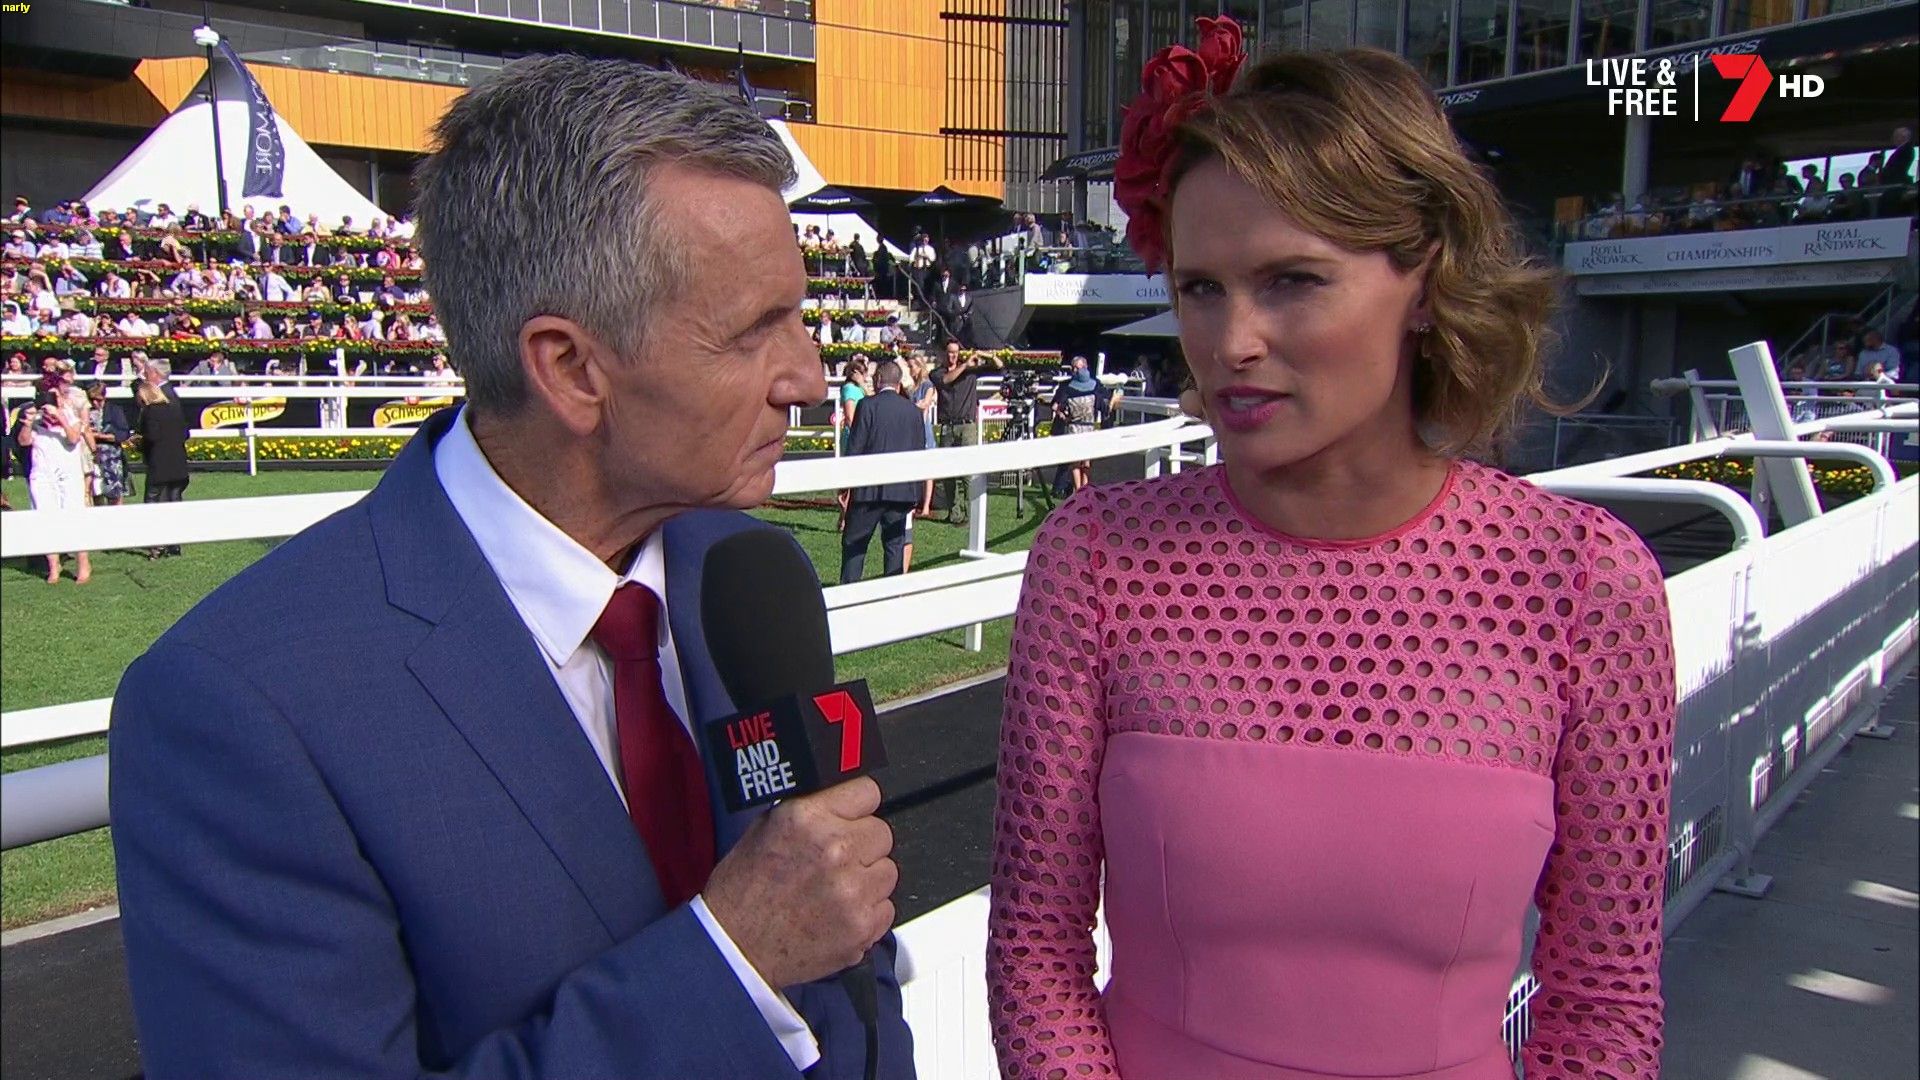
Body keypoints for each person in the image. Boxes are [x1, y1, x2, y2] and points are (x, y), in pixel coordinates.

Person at [109, 56, 909, 1080]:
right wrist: (733, 965)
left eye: (798, 316)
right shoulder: (241, 710)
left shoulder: (747, 571)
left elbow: (845, 928)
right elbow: (781, 926)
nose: (808, 377)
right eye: (755, 330)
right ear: (570, 368)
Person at [988, 32, 1673, 1080]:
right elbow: (1035, 949)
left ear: (1427, 281)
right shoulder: (1097, 558)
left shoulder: (1582, 583)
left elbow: (1606, 1002)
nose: (1231, 343)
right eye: (1201, 288)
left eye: (1292, 281)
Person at [839, 360, 926, 583]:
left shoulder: (867, 406)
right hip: (901, 492)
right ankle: (892, 596)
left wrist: (845, 486)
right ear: (898, 383)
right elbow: (919, 453)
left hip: (868, 493)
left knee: (855, 544)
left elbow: (855, 449)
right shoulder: (914, 412)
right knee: (895, 546)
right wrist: (916, 494)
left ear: (878, 380)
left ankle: (849, 593)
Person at [17, 363, 94, 584]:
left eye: (55, 397)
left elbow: (73, 438)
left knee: (73, 516)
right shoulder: (36, 420)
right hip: (42, 474)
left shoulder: (71, 416)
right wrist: (27, 424)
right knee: (45, 517)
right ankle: (53, 565)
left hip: (68, 473)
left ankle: (83, 563)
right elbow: (24, 442)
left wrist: (60, 417)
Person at [931, 339, 1000, 524]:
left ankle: (971, 513)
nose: (952, 356)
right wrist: (965, 365)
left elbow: (999, 367)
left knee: (968, 473)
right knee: (948, 474)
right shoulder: (937, 373)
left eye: (955, 352)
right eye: (949, 352)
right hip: (947, 427)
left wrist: (988, 355)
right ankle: (954, 513)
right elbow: (946, 380)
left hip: (967, 426)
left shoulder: (971, 371)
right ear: (944, 354)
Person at [1047, 355, 1101, 494]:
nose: (1075, 371)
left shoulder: (1094, 385)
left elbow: (1103, 402)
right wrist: (1062, 416)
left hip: (1085, 426)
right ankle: (1079, 490)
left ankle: (1083, 489)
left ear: (1085, 367)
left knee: (1084, 461)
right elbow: (1055, 405)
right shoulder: (1067, 386)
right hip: (1077, 426)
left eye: (1077, 368)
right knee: (1077, 461)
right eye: (1073, 368)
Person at [84, 380, 133, 506]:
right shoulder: (85, 411)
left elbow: (123, 435)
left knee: (115, 494)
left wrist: (99, 436)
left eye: (98, 400)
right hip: (91, 457)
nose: (95, 403)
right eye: (92, 399)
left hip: (111, 458)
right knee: (94, 492)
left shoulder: (114, 410)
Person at [907, 355, 938, 518]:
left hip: (924, 430)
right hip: (913, 429)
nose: (910, 370)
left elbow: (925, 404)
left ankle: (926, 506)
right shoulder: (913, 388)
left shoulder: (927, 385)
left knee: (928, 470)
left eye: (912, 366)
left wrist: (914, 407)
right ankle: (914, 503)